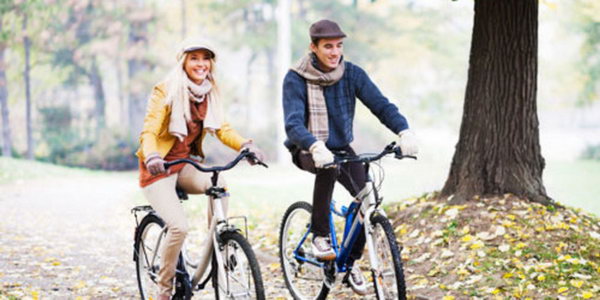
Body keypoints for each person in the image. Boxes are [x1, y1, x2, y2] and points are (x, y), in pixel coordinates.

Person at [281, 19, 418, 295]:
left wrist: (404, 130)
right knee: (328, 168)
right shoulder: (295, 78)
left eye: (339, 46)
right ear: (313, 47)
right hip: (307, 147)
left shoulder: (352, 74)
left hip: (341, 148)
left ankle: (348, 262)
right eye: (327, 46)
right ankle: (320, 236)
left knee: (366, 197)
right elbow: (293, 124)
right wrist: (315, 146)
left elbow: (380, 105)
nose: (334, 52)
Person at [136, 37, 264, 300]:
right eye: (194, 58)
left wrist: (246, 145)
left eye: (206, 58)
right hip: (158, 168)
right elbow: (149, 130)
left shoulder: (209, 93)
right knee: (179, 228)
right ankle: (164, 289)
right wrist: (151, 156)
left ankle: (220, 241)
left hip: (184, 164)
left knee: (219, 184)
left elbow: (222, 129)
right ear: (183, 61)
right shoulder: (165, 91)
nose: (201, 64)